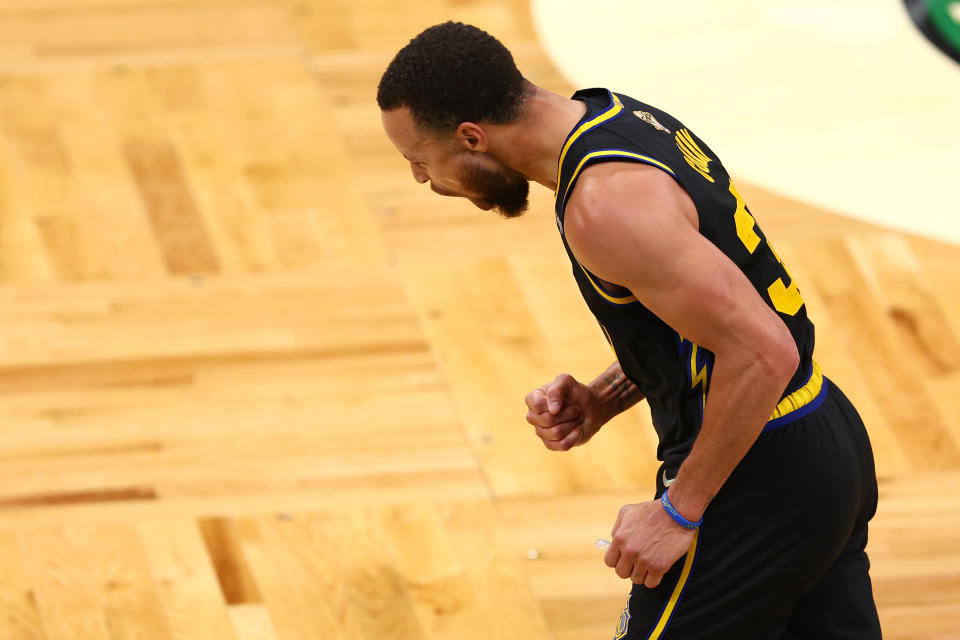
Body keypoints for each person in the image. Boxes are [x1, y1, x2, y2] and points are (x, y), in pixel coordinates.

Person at [377, 21, 882, 640]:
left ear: (472, 137)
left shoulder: (604, 205)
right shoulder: (616, 117)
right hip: (820, 439)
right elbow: (718, 320)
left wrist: (679, 510)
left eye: (420, 161)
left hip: (755, 473)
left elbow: (759, 349)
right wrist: (606, 396)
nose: (422, 181)